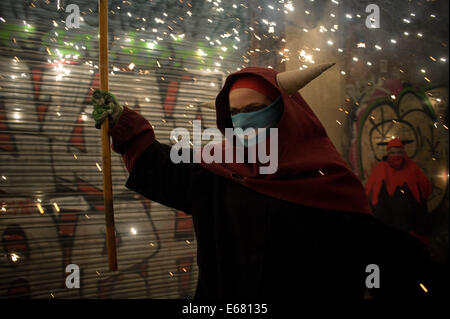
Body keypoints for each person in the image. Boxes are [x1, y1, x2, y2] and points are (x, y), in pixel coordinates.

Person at [92, 65, 432, 299]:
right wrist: (123, 123)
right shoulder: (214, 170)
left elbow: (377, 251)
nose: (243, 121)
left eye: (255, 108)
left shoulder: (324, 178)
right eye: (235, 112)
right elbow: (161, 166)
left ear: (286, 111)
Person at [365, 138, 433, 246]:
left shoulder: (412, 167)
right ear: (388, 153)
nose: (396, 155)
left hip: (411, 223)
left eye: (399, 152)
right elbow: (369, 192)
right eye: (392, 152)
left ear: (403, 153)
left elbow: (426, 188)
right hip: (388, 220)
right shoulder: (381, 168)